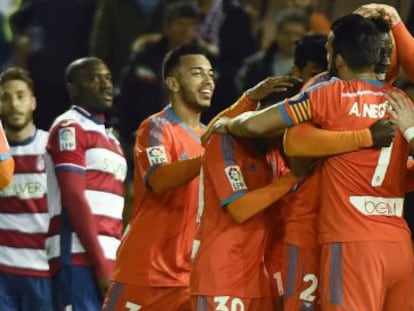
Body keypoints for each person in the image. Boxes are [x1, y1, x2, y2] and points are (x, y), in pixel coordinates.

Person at [213, 13, 413, 311]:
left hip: (351, 241)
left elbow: (264, 129)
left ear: (339, 59)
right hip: (398, 241)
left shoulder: (329, 93)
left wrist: (229, 123)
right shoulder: (402, 101)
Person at [102, 43, 214, 311]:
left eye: (210, 73)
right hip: (146, 273)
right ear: (173, 84)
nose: (208, 79)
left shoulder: (211, 137)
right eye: (197, 73)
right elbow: (159, 179)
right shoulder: (156, 127)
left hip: (190, 277)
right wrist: (211, 158)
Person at [45, 57, 127, 310]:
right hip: (78, 256)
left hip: (109, 257)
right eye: (93, 78)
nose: (105, 85)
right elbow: (73, 198)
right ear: (72, 88)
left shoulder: (111, 138)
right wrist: (102, 265)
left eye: (108, 78)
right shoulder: (69, 127)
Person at [0, 67, 51, 310]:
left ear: (33, 102)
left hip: (43, 270)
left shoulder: (52, 148)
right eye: (5, 97)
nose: (13, 104)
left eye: (20, 95)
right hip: (3, 271)